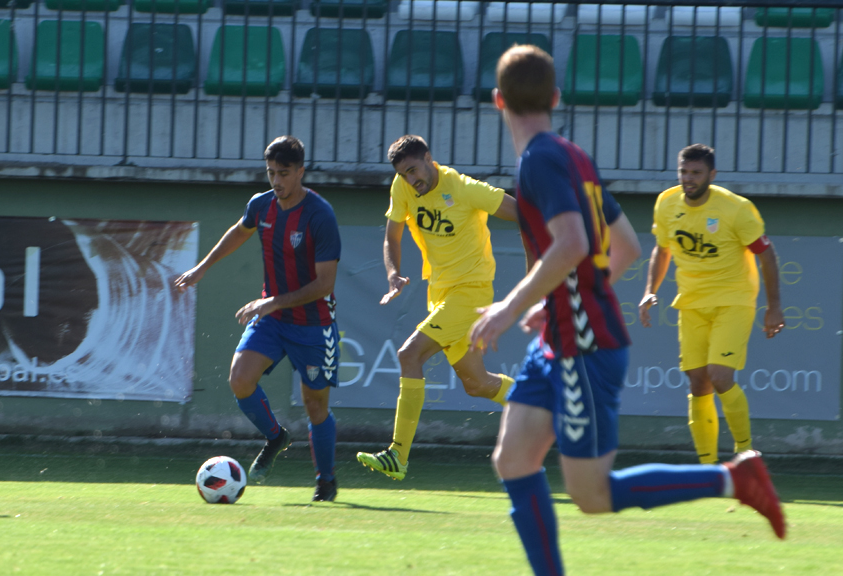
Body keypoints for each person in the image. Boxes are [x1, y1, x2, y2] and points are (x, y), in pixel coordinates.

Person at [468, 46, 786, 575]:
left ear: (497, 99)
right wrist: (558, 302)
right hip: (563, 338)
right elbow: (628, 247)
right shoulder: (573, 155)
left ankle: (735, 478)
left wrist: (510, 305)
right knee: (513, 459)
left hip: (584, 347)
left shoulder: (538, 162)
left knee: (590, 494)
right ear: (555, 97)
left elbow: (570, 244)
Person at [174, 136, 342, 502]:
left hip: (313, 324)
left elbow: (324, 284)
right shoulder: (261, 206)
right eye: (270, 173)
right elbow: (239, 232)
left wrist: (271, 302)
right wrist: (202, 267)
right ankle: (276, 436)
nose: (276, 181)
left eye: (283, 173)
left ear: (300, 171)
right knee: (240, 380)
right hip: (273, 319)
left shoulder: (319, 215)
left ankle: (325, 481)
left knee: (316, 406)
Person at [355, 135, 518, 481]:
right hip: (440, 294)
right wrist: (393, 274)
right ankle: (543, 404)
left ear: (429, 158)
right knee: (476, 383)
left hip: (471, 293)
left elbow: (518, 211)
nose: (411, 180)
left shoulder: (462, 187)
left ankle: (397, 455)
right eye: (403, 174)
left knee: (408, 354)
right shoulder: (403, 189)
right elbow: (392, 237)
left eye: (414, 170)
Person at [639, 144, 784, 464]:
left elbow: (766, 254)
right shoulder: (666, 203)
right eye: (684, 172)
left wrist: (773, 306)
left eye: (696, 173)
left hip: (733, 300)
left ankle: (745, 453)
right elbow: (662, 249)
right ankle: (707, 467)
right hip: (690, 303)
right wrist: (650, 290)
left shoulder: (736, 208)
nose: (688, 179)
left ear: (712, 175)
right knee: (697, 381)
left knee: (719, 376)